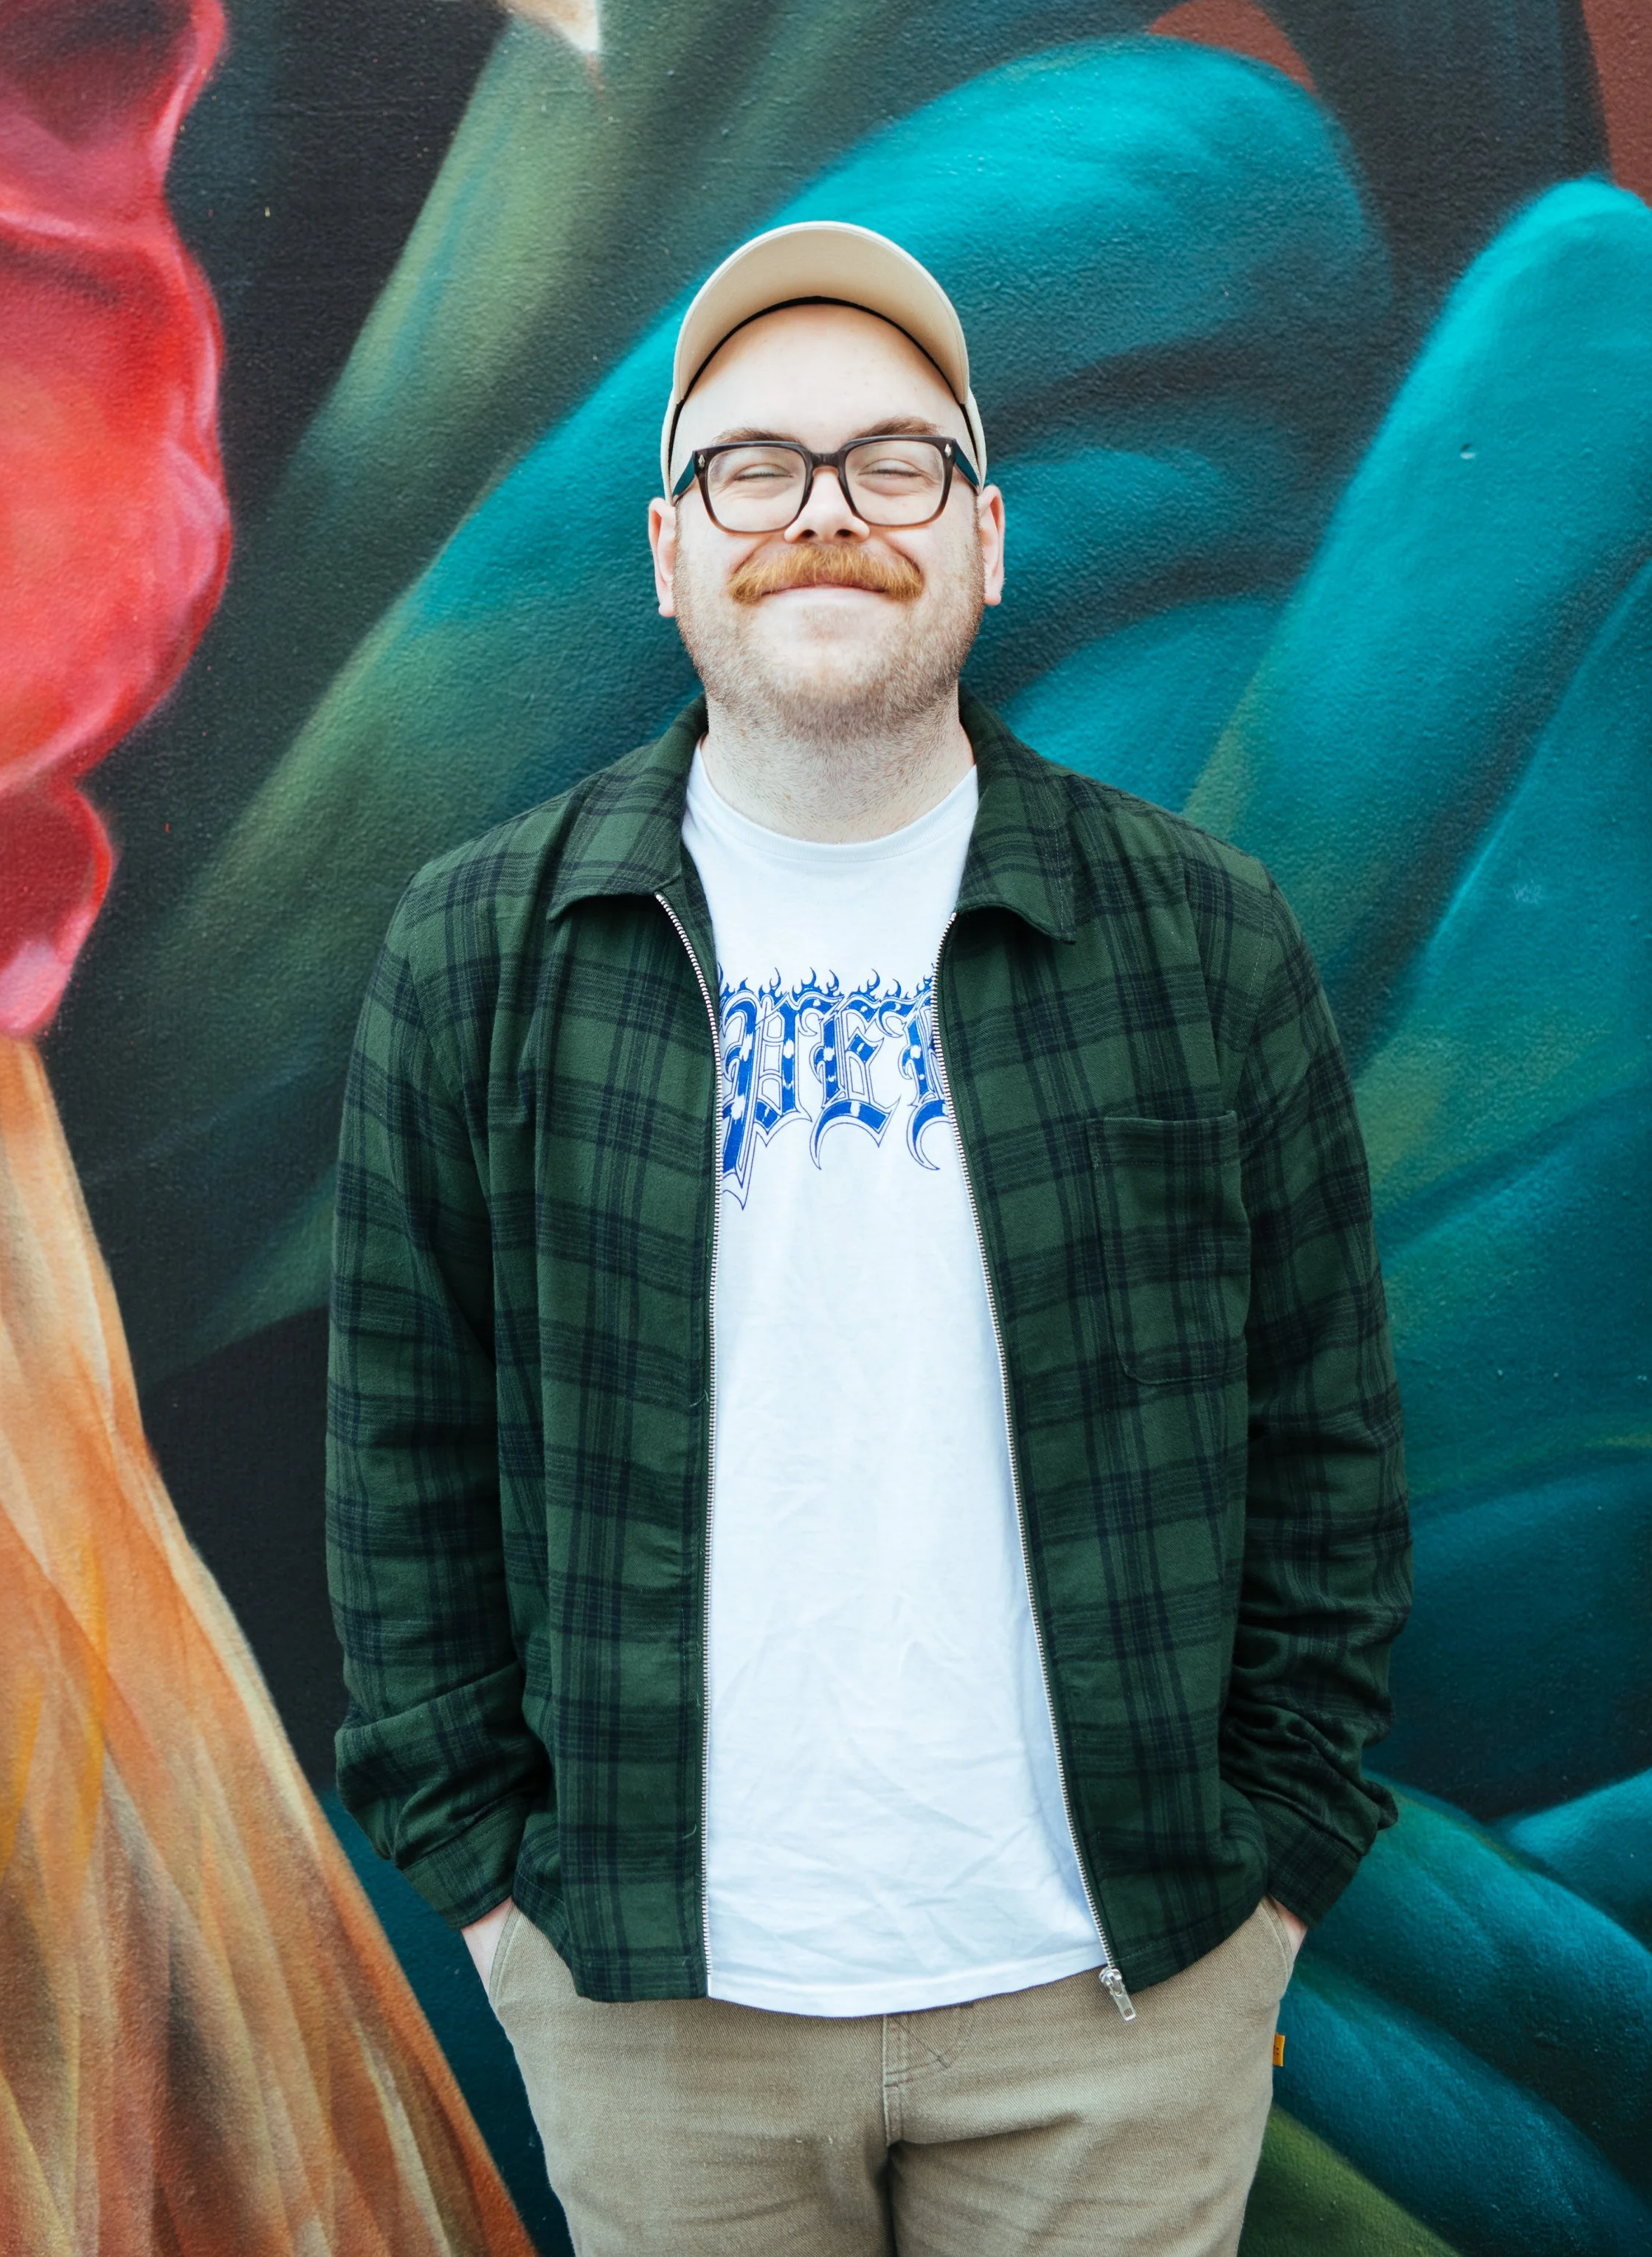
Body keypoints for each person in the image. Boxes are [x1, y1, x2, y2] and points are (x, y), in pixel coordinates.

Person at [327, 221, 1411, 2256]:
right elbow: (402, 1457)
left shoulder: (1197, 938)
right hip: (663, 2010)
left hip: (1115, 2001)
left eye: (894, 463)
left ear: (986, 535)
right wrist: (493, 1895)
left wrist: (1264, 1888)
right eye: (755, 466)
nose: (823, 515)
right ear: (667, 546)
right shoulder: (480, 951)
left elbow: (1324, 1442)